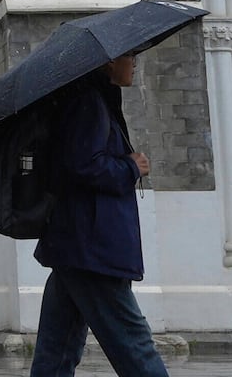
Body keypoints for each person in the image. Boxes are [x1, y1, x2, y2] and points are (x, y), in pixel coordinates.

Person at [31, 53, 166, 377]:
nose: (135, 63)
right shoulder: (88, 102)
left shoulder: (92, 99)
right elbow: (82, 165)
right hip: (93, 248)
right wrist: (131, 166)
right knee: (135, 347)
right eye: (130, 56)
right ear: (109, 61)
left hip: (76, 245)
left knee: (57, 352)